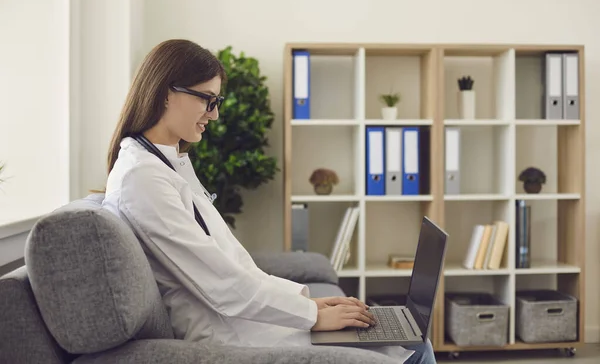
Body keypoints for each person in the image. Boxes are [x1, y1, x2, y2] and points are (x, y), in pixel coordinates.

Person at [101, 39, 437, 364]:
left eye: (215, 101)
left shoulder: (162, 166)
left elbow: (235, 267)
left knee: (407, 340)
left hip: (243, 321)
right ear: (165, 93)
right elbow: (221, 284)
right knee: (413, 349)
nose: (213, 114)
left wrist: (310, 304)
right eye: (207, 99)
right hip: (231, 335)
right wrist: (311, 317)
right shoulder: (142, 178)